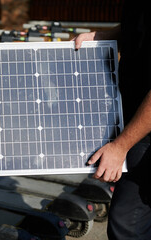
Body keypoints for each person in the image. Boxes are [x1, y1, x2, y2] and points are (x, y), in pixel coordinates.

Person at [72, 1, 151, 239]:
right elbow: (137, 27)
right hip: (136, 123)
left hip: (144, 135)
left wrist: (120, 146)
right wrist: (102, 36)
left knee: (128, 224)